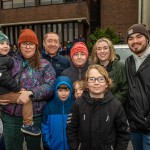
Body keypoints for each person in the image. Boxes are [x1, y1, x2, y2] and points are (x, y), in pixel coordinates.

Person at [0, 28, 56, 150]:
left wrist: (31, 93)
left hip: (34, 117)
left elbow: (50, 87)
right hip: (11, 117)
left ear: (36, 46)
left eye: (31, 44)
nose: (28, 47)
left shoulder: (45, 65)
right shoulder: (9, 61)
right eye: (24, 44)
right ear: (19, 46)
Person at [66, 64, 130, 150]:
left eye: (100, 79)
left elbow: (124, 133)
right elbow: (71, 129)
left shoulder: (116, 105)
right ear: (87, 84)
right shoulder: (78, 104)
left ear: (107, 83)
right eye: (92, 79)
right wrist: (75, 147)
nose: (96, 82)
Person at [0, 31, 42, 136]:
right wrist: (18, 89)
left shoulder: (7, 58)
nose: (5, 46)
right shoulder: (6, 60)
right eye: (1, 43)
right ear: (19, 46)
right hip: (7, 106)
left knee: (24, 97)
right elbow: (4, 78)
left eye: (7, 44)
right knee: (25, 98)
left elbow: (49, 87)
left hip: (36, 113)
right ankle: (28, 125)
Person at [125, 23, 150, 150]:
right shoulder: (129, 61)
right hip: (134, 126)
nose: (135, 41)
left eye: (139, 36)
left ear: (147, 38)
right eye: (131, 38)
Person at [91, 38, 128, 109]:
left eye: (105, 48)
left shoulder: (120, 67)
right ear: (96, 52)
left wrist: (111, 102)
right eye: (99, 49)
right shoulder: (93, 68)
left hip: (115, 108)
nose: (102, 51)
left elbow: (125, 91)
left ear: (110, 50)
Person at [41, 76, 74, 150]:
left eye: (66, 90)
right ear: (55, 91)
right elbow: (45, 126)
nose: (63, 93)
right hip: (53, 146)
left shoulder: (75, 105)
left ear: (71, 91)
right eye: (60, 90)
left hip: (71, 146)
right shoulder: (49, 107)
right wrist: (47, 143)